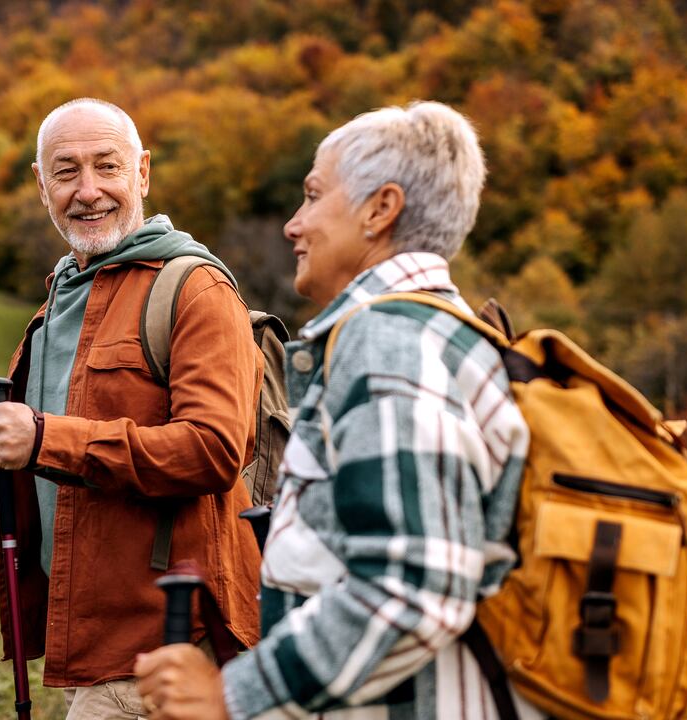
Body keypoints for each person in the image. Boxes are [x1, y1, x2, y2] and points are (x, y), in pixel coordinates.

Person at [0, 98, 263, 719]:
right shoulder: (61, 302)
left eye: (107, 167)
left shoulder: (196, 290)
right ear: (42, 187)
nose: (88, 191)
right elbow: (29, 458)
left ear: (142, 173)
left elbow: (212, 451)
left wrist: (44, 438)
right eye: (66, 172)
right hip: (91, 637)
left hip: (175, 640)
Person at [134, 101, 542, 719]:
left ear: (380, 209)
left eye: (314, 196)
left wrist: (232, 693)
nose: (293, 226)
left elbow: (411, 590)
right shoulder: (441, 333)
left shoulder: (389, 344)